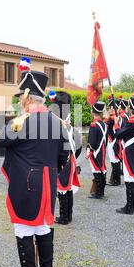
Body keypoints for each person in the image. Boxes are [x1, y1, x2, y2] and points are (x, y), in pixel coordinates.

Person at [0, 58, 69, 267]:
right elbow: (64, 155)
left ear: (27, 97)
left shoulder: (20, 122)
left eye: (21, 97)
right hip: (48, 185)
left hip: (26, 186)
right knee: (43, 227)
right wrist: (50, 173)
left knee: (23, 228)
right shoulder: (57, 122)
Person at [49, 90, 82, 225]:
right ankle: (69, 215)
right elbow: (78, 148)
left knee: (62, 189)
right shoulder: (71, 128)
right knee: (67, 188)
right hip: (71, 160)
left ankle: (64, 217)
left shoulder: (55, 128)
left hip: (62, 163)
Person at [86, 101, 109, 199]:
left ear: (93, 111)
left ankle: (98, 193)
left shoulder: (94, 125)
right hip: (102, 150)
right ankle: (101, 191)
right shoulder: (104, 124)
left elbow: (91, 141)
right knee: (101, 169)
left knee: (97, 170)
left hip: (95, 151)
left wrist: (89, 152)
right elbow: (106, 139)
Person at [106, 95, 122, 185]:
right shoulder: (115, 117)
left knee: (114, 161)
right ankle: (116, 179)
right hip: (113, 140)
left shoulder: (113, 119)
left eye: (110, 107)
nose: (109, 108)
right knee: (115, 161)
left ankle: (116, 180)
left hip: (113, 141)